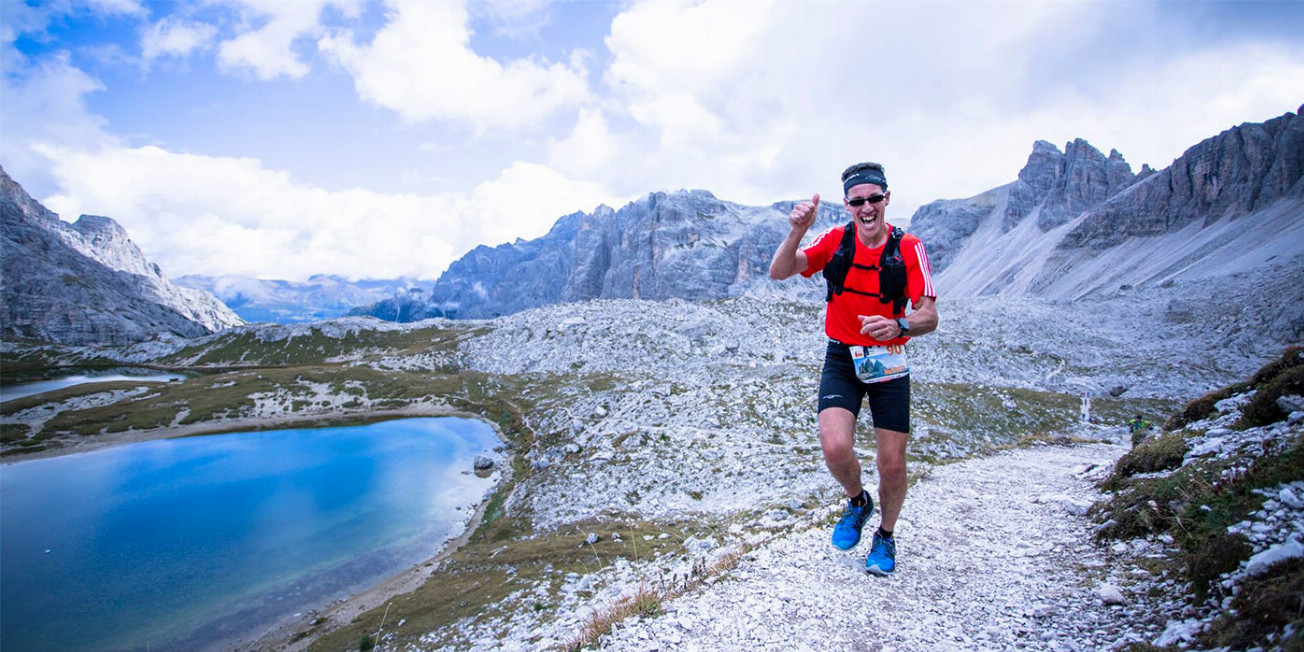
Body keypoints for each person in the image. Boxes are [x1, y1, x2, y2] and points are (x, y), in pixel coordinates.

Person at [769, 161, 938, 576]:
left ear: (886, 199)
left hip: (889, 362)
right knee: (834, 447)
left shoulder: (908, 247)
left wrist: (898, 325)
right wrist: (797, 231)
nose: (867, 208)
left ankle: (885, 535)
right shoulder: (836, 240)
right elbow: (779, 272)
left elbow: (929, 316)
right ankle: (858, 501)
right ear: (847, 205)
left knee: (892, 464)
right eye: (858, 201)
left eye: (874, 199)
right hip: (842, 356)